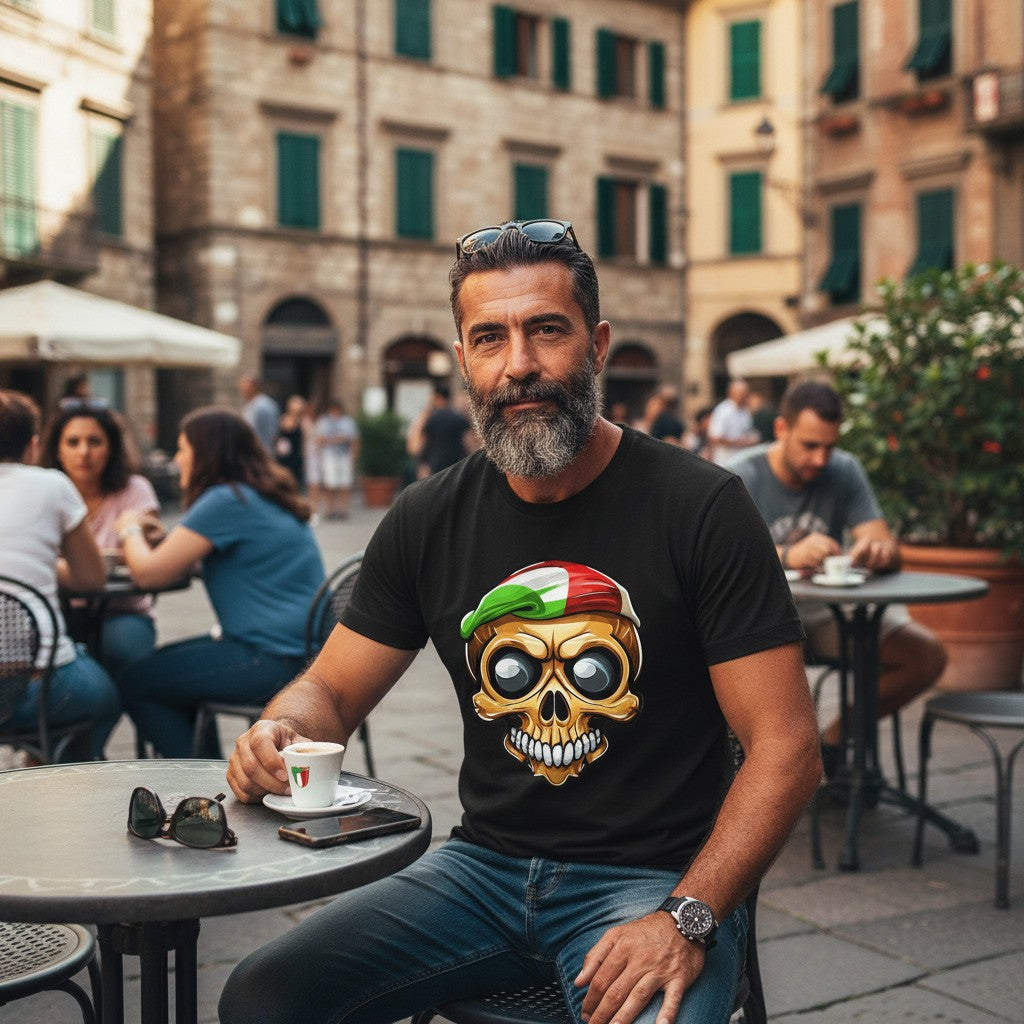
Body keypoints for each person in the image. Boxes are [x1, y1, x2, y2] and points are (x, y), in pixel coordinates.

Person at [219, 220, 821, 1024]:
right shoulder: (428, 517)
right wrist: (281, 729)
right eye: (490, 338)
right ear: (464, 361)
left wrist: (689, 914)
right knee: (264, 999)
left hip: (654, 879)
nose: (521, 365)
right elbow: (328, 687)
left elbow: (786, 747)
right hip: (480, 871)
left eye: (547, 330)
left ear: (597, 345)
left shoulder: (701, 507)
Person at [728, 378, 947, 769]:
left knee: (927, 657)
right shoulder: (739, 476)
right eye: (810, 446)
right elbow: (721, 558)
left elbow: (883, 543)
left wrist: (878, 552)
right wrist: (789, 553)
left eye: (830, 446)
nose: (821, 459)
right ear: (781, 429)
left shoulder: (844, 470)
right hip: (761, 620)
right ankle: (764, 768)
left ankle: (833, 741)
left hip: (830, 614)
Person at [113, 408, 325, 758]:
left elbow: (148, 573)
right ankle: (205, 771)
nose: (178, 459)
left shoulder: (226, 500)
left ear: (206, 452)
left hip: (270, 658)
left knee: (136, 681)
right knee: (164, 668)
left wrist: (129, 528)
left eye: (183, 449)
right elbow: (237, 562)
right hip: (302, 653)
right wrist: (170, 543)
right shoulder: (259, 494)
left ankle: (203, 780)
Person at [0, 390, 120, 760]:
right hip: (36, 690)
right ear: (33, 447)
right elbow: (91, 579)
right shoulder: (52, 485)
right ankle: (56, 778)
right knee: (106, 698)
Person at [39, 402, 163, 676]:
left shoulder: (134, 489)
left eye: (94, 441)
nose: (84, 452)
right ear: (57, 449)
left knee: (125, 648)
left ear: (111, 448)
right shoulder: (44, 492)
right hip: (56, 610)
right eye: (73, 442)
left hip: (122, 609)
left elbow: (152, 546)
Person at [407, 383, 472, 477]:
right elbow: (469, 444)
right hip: (456, 469)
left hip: (433, 469)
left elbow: (414, 447)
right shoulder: (459, 418)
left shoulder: (428, 418)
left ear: (436, 397)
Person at [314, 398, 359, 518]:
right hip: (329, 456)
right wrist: (336, 439)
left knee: (345, 483)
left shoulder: (348, 422)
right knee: (330, 483)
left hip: (344, 456)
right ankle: (330, 510)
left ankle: (343, 510)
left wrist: (353, 456)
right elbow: (319, 440)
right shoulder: (323, 422)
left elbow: (354, 440)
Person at [706, 379, 759, 465]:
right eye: (741, 393)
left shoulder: (745, 411)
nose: (744, 396)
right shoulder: (723, 411)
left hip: (742, 461)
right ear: (732, 393)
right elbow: (714, 437)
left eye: (745, 393)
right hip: (726, 461)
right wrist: (738, 442)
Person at [239, 373, 280, 452]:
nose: (241, 389)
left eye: (245, 385)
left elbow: (271, 433)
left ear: (254, 387)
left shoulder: (262, 405)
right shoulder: (251, 405)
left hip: (260, 452)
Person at [275, 395, 308, 491]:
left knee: (294, 482)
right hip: (283, 455)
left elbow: (303, 441)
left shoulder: (303, 421)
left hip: (295, 455)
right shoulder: (283, 418)